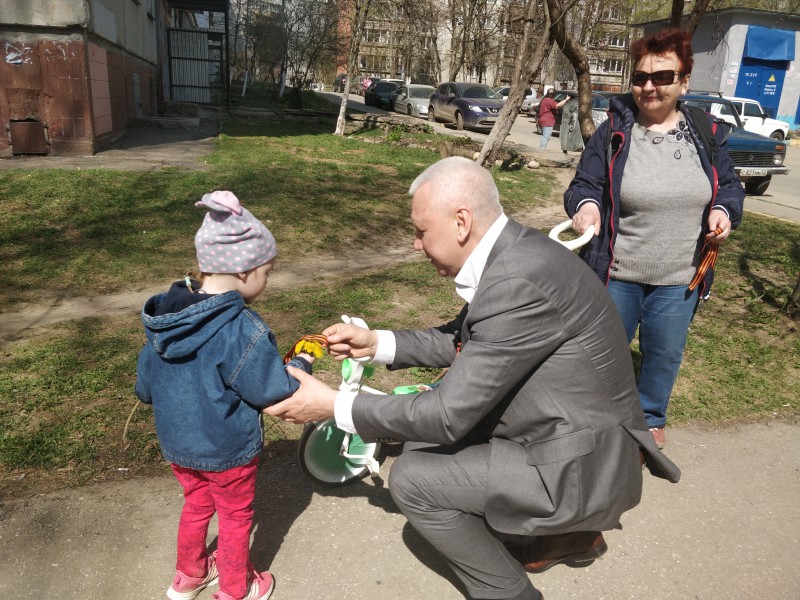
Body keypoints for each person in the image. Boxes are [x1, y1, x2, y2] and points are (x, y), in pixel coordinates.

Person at [266, 157, 680, 600]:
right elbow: (464, 338)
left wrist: (333, 406)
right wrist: (376, 342)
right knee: (421, 444)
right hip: (572, 435)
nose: (416, 244)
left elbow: (446, 416)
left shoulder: (518, 279)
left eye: (422, 231)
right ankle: (557, 536)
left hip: (578, 467)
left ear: (461, 222)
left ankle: (513, 591)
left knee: (412, 480)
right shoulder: (517, 251)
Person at [564, 28, 745, 449]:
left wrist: (723, 211)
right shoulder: (612, 132)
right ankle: (592, 419)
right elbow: (583, 185)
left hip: (680, 276)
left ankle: (648, 420)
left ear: (684, 80)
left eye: (663, 77)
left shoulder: (707, 133)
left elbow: (730, 186)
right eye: (641, 77)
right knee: (599, 352)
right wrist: (585, 207)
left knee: (662, 356)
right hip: (618, 271)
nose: (649, 86)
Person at [135, 191, 316, 600]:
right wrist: (301, 364)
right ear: (246, 270)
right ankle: (237, 588)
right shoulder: (240, 329)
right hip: (227, 450)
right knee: (235, 517)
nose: (267, 281)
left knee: (196, 505)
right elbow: (272, 391)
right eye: (267, 272)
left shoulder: (166, 320)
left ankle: (189, 576)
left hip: (178, 447)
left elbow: (146, 387)